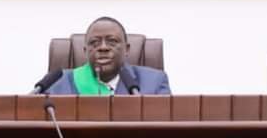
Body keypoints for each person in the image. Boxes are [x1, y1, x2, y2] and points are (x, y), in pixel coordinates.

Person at [43, 17, 171, 96]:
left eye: (112, 41)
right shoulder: (57, 83)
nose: (103, 47)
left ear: (127, 49)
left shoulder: (155, 82)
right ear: (85, 51)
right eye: (94, 42)